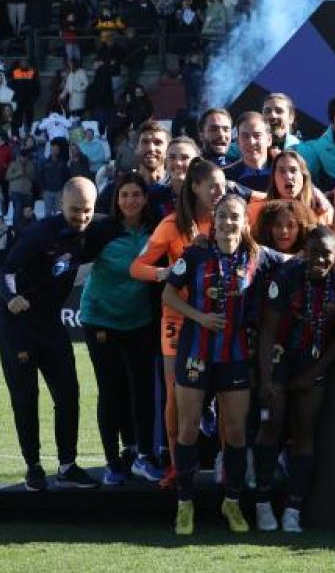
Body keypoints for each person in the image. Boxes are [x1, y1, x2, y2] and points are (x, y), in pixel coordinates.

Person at [163, 192, 285, 534]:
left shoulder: (257, 255)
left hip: (234, 357)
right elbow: (169, 293)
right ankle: (184, 504)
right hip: (196, 355)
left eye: (235, 216)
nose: (228, 222)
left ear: (245, 221)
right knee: (187, 429)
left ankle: (231, 502)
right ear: (213, 221)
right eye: (222, 216)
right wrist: (198, 317)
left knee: (234, 432)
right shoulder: (196, 253)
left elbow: (295, 260)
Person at [0, 177, 113, 491]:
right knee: (26, 398)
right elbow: (6, 270)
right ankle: (33, 467)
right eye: (75, 210)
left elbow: (126, 222)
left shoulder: (95, 230)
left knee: (68, 394)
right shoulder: (40, 234)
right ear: (61, 204)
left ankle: (67, 465)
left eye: (87, 210)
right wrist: (11, 299)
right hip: (17, 324)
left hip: (50, 324)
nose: (81, 217)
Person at [254, 227, 335, 533]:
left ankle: (293, 510)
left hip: (314, 360)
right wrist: (266, 379)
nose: (319, 259)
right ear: (304, 252)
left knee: (304, 432)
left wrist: (314, 372)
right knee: (271, 423)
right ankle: (262, 505)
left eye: (326, 253)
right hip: (280, 356)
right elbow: (268, 332)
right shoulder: (287, 276)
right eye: (314, 252)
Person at [129, 158, 223, 487]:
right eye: (212, 186)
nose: (219, 192)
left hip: (219, 318)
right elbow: (137, 267)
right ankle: (177, 466)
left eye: (223, 186)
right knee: (173, 395)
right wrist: (164, 272)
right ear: (194, 188)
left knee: (225, 390)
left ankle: (226, 463)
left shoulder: (229, 219)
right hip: (178, 318)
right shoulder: (171, 224)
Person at [79, 174, 165, 485]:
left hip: (139, 321)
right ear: (116, 200)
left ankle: (144, 455)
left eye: (136, 194)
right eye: (124, 194)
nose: (130, 200)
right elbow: (72, 256)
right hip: (101, 320)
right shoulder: (102, 229)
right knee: (111, 390)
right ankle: (112, 462)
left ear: (145, 198)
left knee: (142, 390)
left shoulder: (156, 228)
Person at [223, 111, 273, 192]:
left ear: (269, 140)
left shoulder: (283, 172)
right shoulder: (225, 177)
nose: (251, 142)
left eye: (257, 135)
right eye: (245, 136)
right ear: (238, 141)